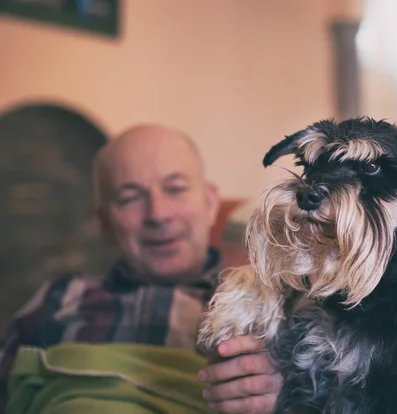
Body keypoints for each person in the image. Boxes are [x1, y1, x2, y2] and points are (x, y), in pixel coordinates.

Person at [0, 124, 282, 413]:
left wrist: (284, 396)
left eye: (175, 189)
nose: (158, 214)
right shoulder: (58, 298)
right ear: (105, 223)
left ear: (210, 202)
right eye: (130, 197)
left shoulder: (268, 304)